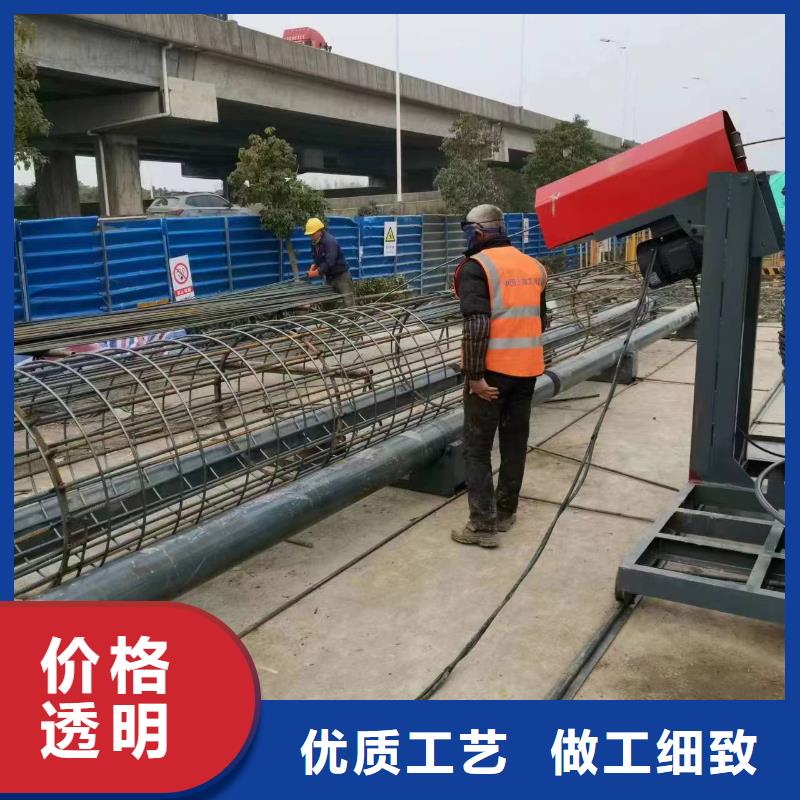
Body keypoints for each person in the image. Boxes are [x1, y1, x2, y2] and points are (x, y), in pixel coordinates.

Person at [452, 204, 549, 548]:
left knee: (477, 449)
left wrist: (474, 376)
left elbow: (477, 325)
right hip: (527, 371)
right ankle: (505, 512)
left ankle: (482, 526)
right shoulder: (534, 266)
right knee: (513, 444)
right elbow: (541, 319)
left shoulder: (476, 267)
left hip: (491, 375)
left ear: (478, 232)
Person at [304, 218, 355, 307]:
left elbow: (330, 262)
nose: (311, 236)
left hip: (341, 276)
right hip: (329, 277)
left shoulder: (330, 241)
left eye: (313, 234)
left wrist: (317, 272)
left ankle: (353, 315)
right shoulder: (314, 242)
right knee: (328, 302)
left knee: (348, 302)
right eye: (310, 234)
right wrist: (313, 267)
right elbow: (316, 258)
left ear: (319, 231)